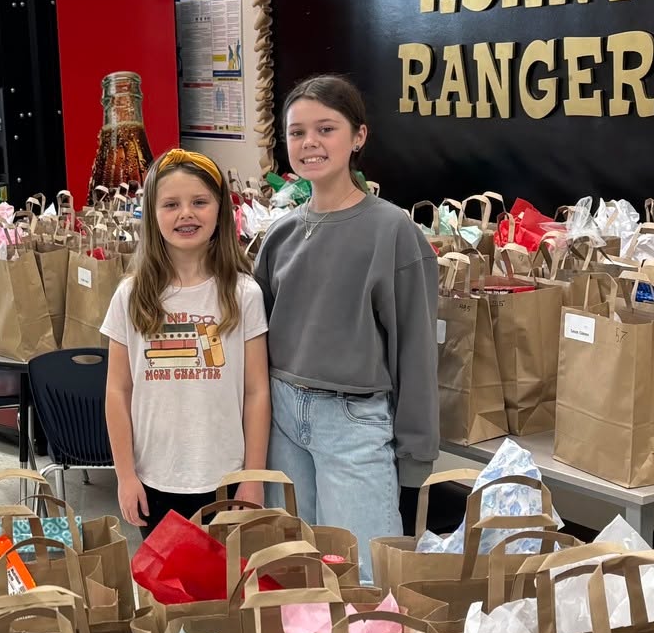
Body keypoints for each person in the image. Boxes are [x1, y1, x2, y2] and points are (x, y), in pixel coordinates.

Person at [254, 74, 439, 578]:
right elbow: (256, 338)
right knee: (294, 569)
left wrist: (416, 454)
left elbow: (416, 350)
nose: (310, 143)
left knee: (363, 576)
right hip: (283, 416)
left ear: (358, 137)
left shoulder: (393, 231)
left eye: (325, 129)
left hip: (353, 421)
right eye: (296, 133)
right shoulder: (281, 234)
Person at [103, 149, 270, 535]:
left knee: (225, 590)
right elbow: (117, 390)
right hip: (154, 478)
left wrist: (254, 475)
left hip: (226, 478)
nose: (186, 214)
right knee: (168, 591)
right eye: (171, 204)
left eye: (199, 202)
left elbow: (257, 391)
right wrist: (125, 475)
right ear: (152, 213)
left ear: (221, 210)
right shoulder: (131, 295)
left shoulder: (244, 294)